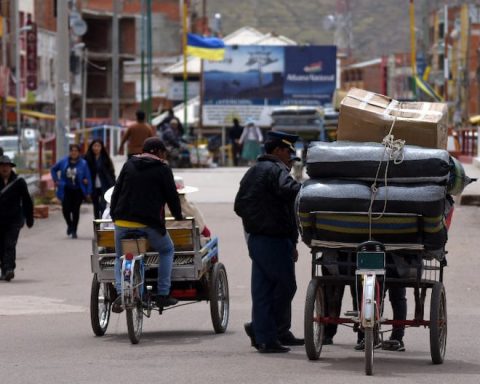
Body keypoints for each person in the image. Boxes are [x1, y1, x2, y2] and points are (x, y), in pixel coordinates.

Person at [234, 131, 303, 354]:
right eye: (288, 152)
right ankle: (264, 332)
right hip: (273, 239)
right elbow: (290, 191)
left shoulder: (253, 171)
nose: (290, 158)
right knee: (285, 286)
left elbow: (239, 206)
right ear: (277, 151)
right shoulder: (276, 170)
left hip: (257, 238)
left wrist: (256, 222)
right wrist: (309, 189)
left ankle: (268, 333)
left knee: (264, 289)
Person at [110, 137, 183, 313]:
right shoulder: (163, 169)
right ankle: (163, 294)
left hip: (122, 222)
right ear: (158, 152)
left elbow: (116, 191)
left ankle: (121, 292)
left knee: (120, 257)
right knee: (167, 249)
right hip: (148, 224)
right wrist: (178, 215)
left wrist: (114, 215)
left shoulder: (129, 165)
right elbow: (172, 197)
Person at [0, 155, 34, 281]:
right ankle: (4, 269)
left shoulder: (19, 182)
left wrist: (29, 219)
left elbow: (27, 201)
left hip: (14, 220)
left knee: (10, 244)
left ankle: (9, 269)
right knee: (1, 246)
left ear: (11, 168)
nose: (5, 168)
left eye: (7, 166)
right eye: (2, 166)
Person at [51, 144, 92, 239]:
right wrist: (56, 180)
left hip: (78, 190)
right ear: (69, 152)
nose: (73, 152)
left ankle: (74, 230)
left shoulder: (83, 163)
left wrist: (88, 190)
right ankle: (70, 224)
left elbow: (88, 177)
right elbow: (53, 169)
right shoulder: (63, 161)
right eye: (72, 150)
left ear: (79, 152)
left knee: (75, 210)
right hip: (66, 189)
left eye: (76, 151)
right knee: (65, 209)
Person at [84, 139, 116, 219]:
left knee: (103, 205)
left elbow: (111, 172)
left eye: (98, 146)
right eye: (94, 146)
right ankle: (97, 222)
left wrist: (114, 184)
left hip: (104, 184)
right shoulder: (87, 158)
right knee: (96, 205)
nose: (96, 148)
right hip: (93, 185)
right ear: (91, 147)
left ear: (101, 147)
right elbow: (83, 171)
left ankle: (102, 221)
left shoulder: (106, 158)